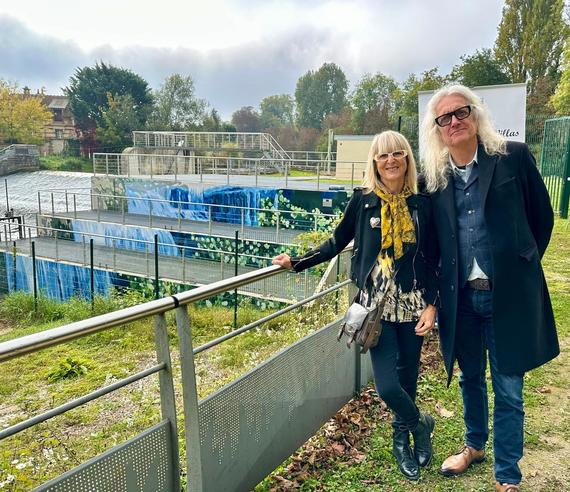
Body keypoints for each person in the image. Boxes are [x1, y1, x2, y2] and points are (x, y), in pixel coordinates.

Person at [272, 131, 439, 481]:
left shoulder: (423, 201)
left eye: (397, 154)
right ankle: (420, 424)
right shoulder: (363, 201)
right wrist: (297, 261)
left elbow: (436, 256)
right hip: (374, 306)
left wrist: (432, 304)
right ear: (374, 163)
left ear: (407, 158)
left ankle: (402, 441)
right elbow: (337, 240)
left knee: (408, 376)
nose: (390, 160)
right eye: (383, 156)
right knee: (387, 385)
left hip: (412, 301)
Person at [421, 84, 559, 492]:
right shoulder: (436, 180)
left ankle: (507, 475)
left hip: (506, 297)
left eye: (460, 112)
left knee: (509, 387)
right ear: (437, 129)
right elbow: (432, 245)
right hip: (461, 299)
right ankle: (474, 445)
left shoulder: (511, 158)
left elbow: (542, 218)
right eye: (444, 118)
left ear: (475, 114)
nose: (454, 122)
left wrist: (522, 264)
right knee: (469, 379)